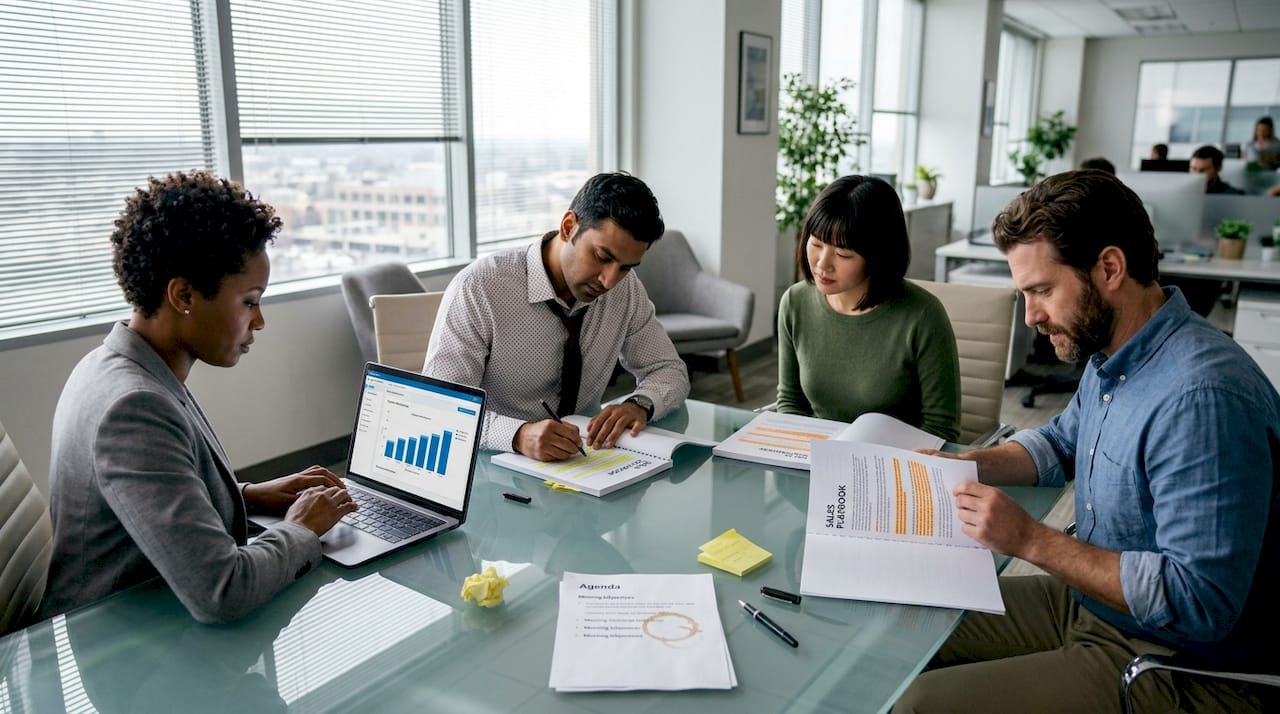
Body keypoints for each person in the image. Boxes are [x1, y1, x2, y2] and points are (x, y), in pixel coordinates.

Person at [894, 170, 1280, 713]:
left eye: (1042, 291)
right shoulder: (1114, 355)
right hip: (1096, 604)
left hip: (1182, 659)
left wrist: (1030, 540)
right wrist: (961, 463)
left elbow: (1198, 601)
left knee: (922, 705)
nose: (1030, 316)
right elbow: (1059, 443)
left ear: (1109, 268)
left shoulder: (1203, 398)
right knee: (908, 624)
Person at [42, 171, 358, 625]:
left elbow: (154, 500)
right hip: (123, 645)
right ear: (184, 295)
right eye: (250, 301)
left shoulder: (118, 364)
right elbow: (222, 590)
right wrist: (300, 527)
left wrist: (246, 495)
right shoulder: (133, 408)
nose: (260, 321)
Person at [424, 172, 689, 461]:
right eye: (602, 257)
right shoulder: (480, 288)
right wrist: (517, 435)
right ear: (568, 227)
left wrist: (640, 403)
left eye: (625, 267)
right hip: (492, 464)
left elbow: (669, 370)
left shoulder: (625, 290)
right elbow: (443, 408)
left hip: (583, 460)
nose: (609, 280)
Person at [777, 175, 960, 441]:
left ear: (878, 256)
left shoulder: (923, 315)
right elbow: (790, 403)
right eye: (816, 244)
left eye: (843, 254)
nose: (822, 264)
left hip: (894, 466)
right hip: (816, 461)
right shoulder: (795, 303)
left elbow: (941, 429)